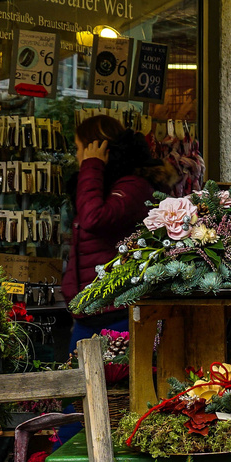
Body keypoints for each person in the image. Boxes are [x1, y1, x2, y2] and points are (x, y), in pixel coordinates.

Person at [63, 114, 170, 351]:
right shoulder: (104, 185)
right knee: (80, 381)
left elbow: (94, 219)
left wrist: (92, 165)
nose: (77, 156)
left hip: (117, 311)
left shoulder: (132, 186)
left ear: (97, 148)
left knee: (115, 382)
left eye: (80, 149)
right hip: (93, 311)